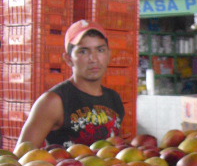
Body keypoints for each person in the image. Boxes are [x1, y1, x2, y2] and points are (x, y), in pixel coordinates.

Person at [17, 19, 125, 148]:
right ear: (68, 59)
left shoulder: (114, 98)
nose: (94, 59)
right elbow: (21, 155)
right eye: (83, 51)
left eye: (100, 50)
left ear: (109, 55)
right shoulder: (53, 101)